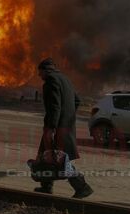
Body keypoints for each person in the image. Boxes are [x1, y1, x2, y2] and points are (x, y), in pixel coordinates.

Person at [34, 58, 93, 199]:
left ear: (45, 70)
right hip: (66, 125)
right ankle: (46, 186)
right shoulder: (65, 79)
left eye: (39, 72)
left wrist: (52, 128)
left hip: (56, 127)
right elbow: (77, 100)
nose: (38, 75)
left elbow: (55, 107)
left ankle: (82, 187)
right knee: (46, 156)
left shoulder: (50, 82)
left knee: (60, 159)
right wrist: (69, 116)